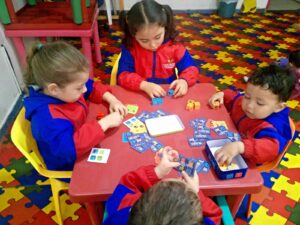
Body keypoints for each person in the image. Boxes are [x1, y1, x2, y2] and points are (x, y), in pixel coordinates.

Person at [23, 41, 128, 171]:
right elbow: (69, 150)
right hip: (71, 165)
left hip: (83, 136)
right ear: (54, 89)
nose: (84, 90)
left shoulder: (64, 90)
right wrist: (104, 123)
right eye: (79, 88)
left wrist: (112, 99)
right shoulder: (47, 119)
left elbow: (91, 86)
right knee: (117, 167)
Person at [103, 146, 222, 225]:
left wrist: (156, 172)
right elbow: (214, 216)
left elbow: (126, 187)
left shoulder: (123, 213)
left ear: (140, 201)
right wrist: (195, 193)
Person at [208, 64, 296, 165]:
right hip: (228, 139)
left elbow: (270, 149)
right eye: (247, 96)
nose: (249, 105)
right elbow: (235, 98)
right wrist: (222, 95)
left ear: (278, 107)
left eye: (260, 103)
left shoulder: (272, 127)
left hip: (246, 160)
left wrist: (241, 147)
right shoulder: (246, 103)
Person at [117, 0, 199, 99]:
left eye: (157, 37)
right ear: (133, 34)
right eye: (144, 40)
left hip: (168, 95)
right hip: (141, 94)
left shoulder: (175, 45)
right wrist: (144, 85)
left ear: (165, 27)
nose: (153, 45)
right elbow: (123, 75)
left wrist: (184, 80)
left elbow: (191, 68)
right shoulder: (130, 47)